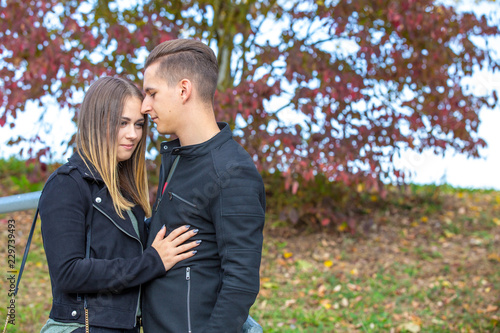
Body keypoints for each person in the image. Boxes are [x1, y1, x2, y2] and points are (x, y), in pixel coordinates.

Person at [39, 76, 200, 333]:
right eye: (122, 123)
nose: (133, 134)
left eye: (138, 124)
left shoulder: (123, 190)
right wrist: (152, 262)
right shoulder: (66, 185)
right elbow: (68, 273)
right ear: (97, 121)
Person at [140, 39, 266, 332]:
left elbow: (241, 283)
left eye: (152, 93)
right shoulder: (177, 158)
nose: (145, 106)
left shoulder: (232, 172)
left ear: (184, 90)